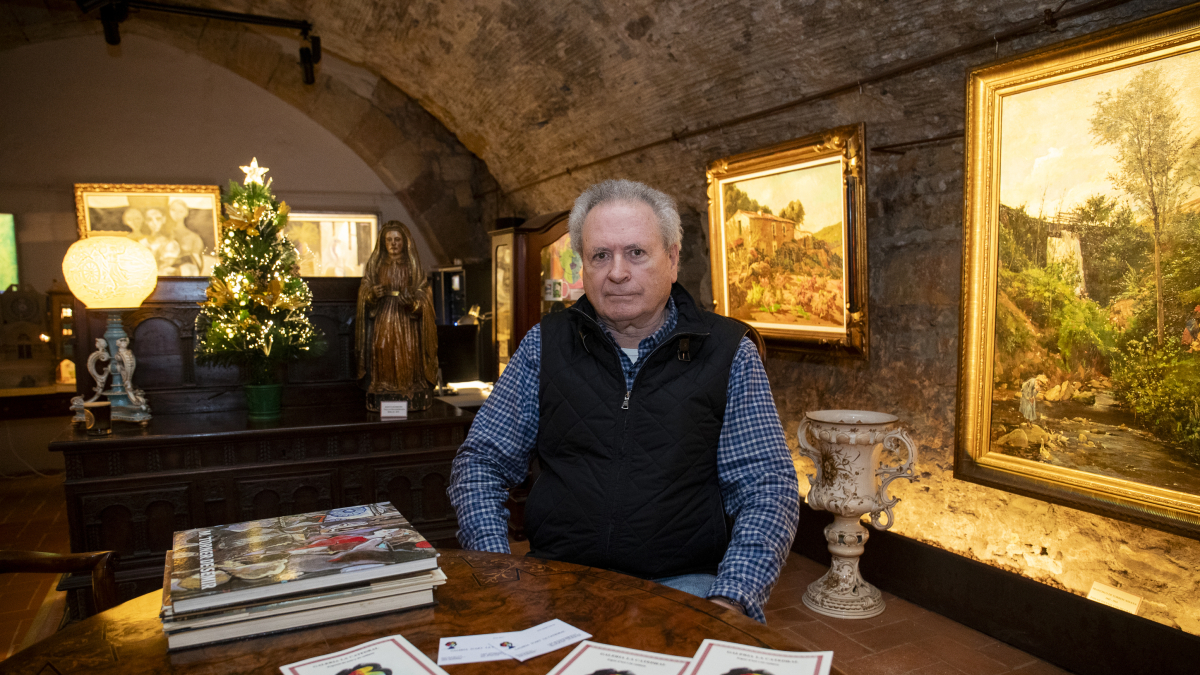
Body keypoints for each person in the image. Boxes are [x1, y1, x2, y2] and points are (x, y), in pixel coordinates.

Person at [448, 179, 799, 622]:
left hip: (685, 584)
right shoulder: (544, 344)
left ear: (672, 259)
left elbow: (767, 487)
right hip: (558, 579)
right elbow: (481, 462)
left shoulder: (729, 353)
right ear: (582, 266)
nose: (617, 273)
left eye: (636, 253)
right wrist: (496, 572)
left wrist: (731, 598)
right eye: (600, 255)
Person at [354, 221, 438, 411]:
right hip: (384, 316)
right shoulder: (376, 265)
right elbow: (364, 289)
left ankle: (408, 387)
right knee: (382, 347)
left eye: (397, 239)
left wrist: (414, 303)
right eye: (389, 239)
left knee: (408, 350)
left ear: (404, 242)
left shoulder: (413, 265)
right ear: (383, 242)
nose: (393, 243)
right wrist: (372, 294)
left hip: (406, 318)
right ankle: (383, 386)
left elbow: (423, 292)